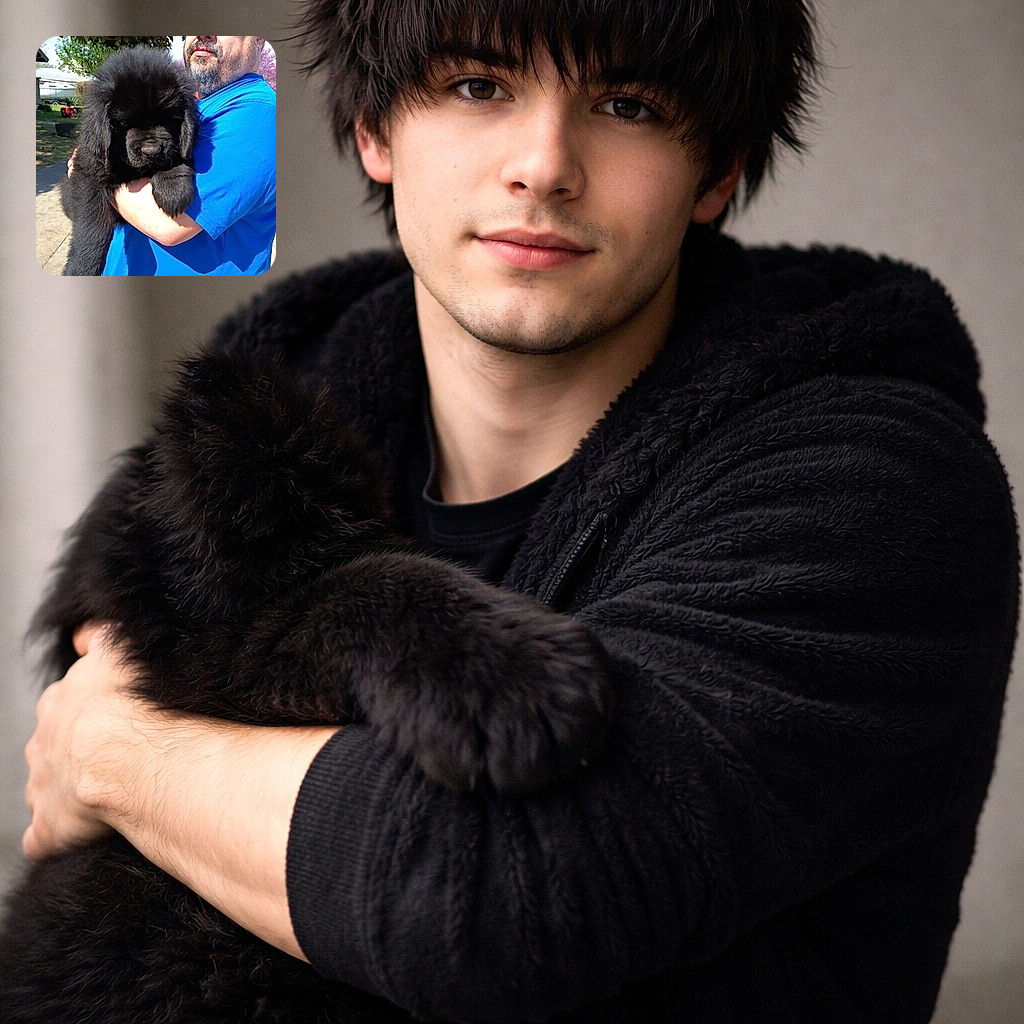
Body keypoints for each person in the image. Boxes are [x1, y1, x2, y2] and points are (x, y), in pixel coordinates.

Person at [24, 2, 1019, 1021]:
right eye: (477, 86)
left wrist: (123, 756)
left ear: (714, 171)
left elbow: (507, 901)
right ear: (374, 130)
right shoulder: (254, 411)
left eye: (626, 103)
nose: (543, 164)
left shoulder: (877, 480)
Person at [100, 35, 276, 275]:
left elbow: (167, 224)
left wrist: (94, 171)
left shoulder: (258, 116)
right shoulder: (196, 104)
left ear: (258, 38)